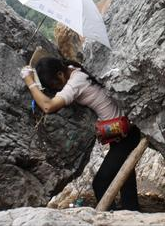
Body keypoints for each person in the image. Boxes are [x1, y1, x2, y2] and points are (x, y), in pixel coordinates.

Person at [20, 57, 141, 211]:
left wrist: (29, 81)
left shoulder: (76, 83)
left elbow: (48, 106)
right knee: (125, 177)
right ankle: (132, 212)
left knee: (101, 182)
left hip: (125, 134)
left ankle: (112, 216)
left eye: (55, 84)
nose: (57, 89)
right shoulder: (72, 69)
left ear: (60, 74)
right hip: (122, 130)